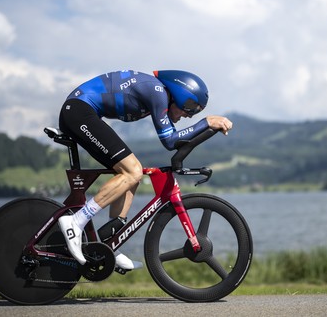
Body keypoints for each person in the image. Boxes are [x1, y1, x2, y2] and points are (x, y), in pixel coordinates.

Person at [57, 70, 233, 270]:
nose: (188, 115)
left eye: (196, 112)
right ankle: (76, 221)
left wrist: (204, 126)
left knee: (132, 174)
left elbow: (174, 137)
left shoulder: (156, 92)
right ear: (180, 93)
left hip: (81, 112)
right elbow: (170, 140)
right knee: (132, 171)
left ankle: (109, 244)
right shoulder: (156, 91)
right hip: (79, 111)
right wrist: (206, 122)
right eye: (190, 108)